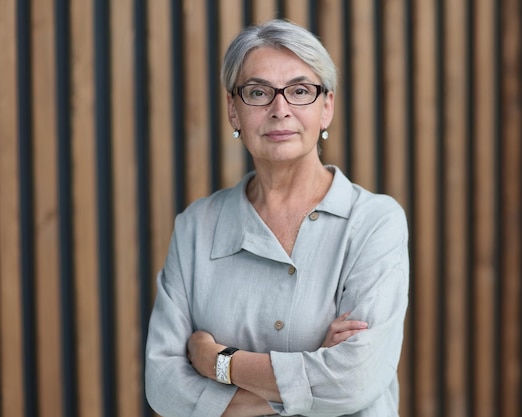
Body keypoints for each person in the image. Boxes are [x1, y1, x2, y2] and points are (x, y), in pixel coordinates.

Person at [145, 19, 409, 417]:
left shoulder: (375, 222)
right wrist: (311, 372)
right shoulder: (196, 227)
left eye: (300, 91)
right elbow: (163, 386)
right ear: (234, 111)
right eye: (258, 93)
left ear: (326, 108)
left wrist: (218, 362)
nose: (280, 109)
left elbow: (355, 381)